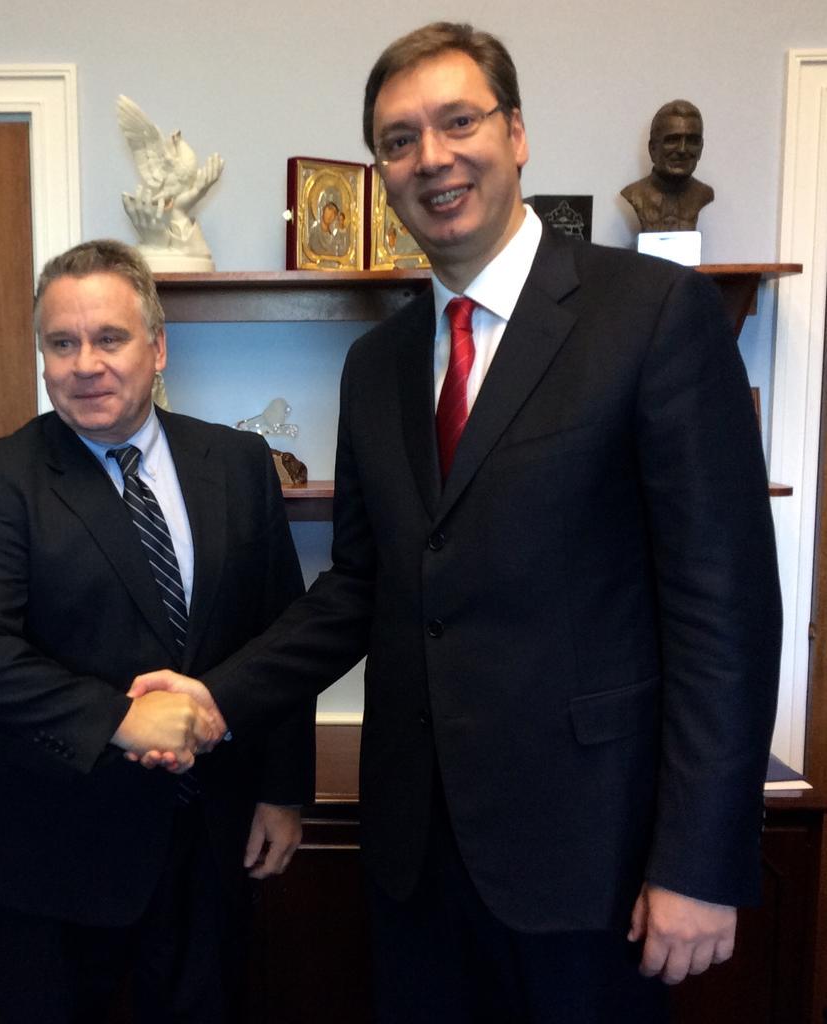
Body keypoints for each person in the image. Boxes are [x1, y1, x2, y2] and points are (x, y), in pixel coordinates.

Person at [135, 22, 781, 1023]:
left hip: (593, 859)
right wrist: (219, 695)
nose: (430, 157)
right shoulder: (378, 365)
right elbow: (361, 585)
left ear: (515, 133)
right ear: (381, 174)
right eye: (398, 140)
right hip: (416, 859)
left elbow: (724, 609)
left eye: (458, 122)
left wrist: (700, 859)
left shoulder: (653, 315)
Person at [0, 239, 314, 1024]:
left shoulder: (238, 462)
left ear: (157, 348)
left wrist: (283, 791)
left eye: (109, 338)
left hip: (214, 845)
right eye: (62, 343)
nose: (85, 364)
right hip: (59, 861)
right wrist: (120, 718)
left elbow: (281, 636)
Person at [621, 99, 715, 232]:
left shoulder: (704, 194)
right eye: (672, 140)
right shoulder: (634, 194)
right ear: (653, 148)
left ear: (700, 149)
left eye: (692, 141)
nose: (682, 149)